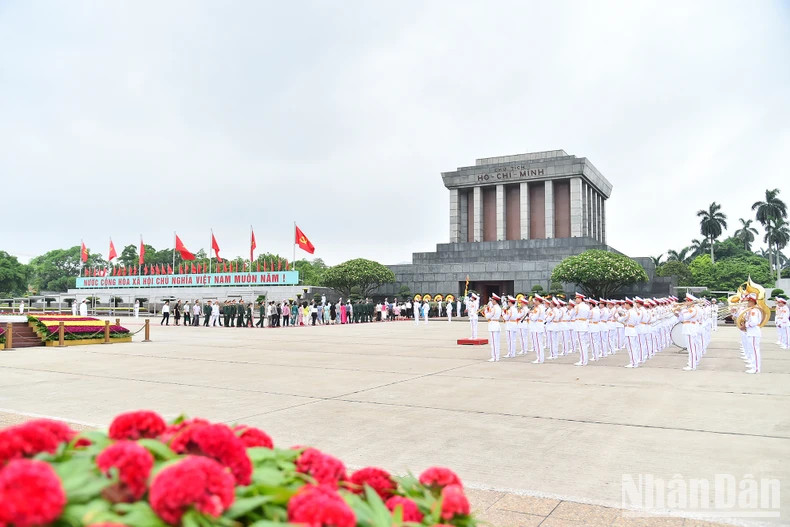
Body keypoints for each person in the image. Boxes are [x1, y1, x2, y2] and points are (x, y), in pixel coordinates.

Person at [675, 293, 701, 371]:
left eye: (687, 301)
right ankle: (693, 362)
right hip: (689, 327)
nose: (685, 303)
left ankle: (692, 365)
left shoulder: (692, 309)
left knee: (691, 348)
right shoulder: (690, 309)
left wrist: (682, 310)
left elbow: (686, 316)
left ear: (690, 302)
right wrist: (678, 314)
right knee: (693, 347)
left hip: (690, 329)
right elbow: (682, 319)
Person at [744, 293, 764, 374]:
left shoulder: (754, 311)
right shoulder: (751, 310)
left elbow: (754, 322)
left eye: (749, 301)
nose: (747, 303)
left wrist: (746, 325)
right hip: (751, 332)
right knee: (752, 350)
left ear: (753, 302)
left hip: (754, 332)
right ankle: (753, 365)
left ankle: (756, 368)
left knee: (755, 350)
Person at [573, 293, 591, 366]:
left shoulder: (577, 306)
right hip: (585, 325)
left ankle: (583, 360)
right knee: (583, 344)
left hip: (579, 325)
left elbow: (573, 314)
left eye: (577, 298)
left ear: (580, 299)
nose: (576, 300)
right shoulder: (587, 306)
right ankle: (584, 360)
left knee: (581, 344)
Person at [485, 294, 502, 362]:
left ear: (495, 301)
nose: (491, 301)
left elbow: (488, 316)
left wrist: (486, 311)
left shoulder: (494, 308)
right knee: (496, 342)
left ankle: (494, 357)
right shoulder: (498, 307)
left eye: (492, 300)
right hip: (496, 324)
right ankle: (496, 356)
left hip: (493, 325)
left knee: (494, 343)